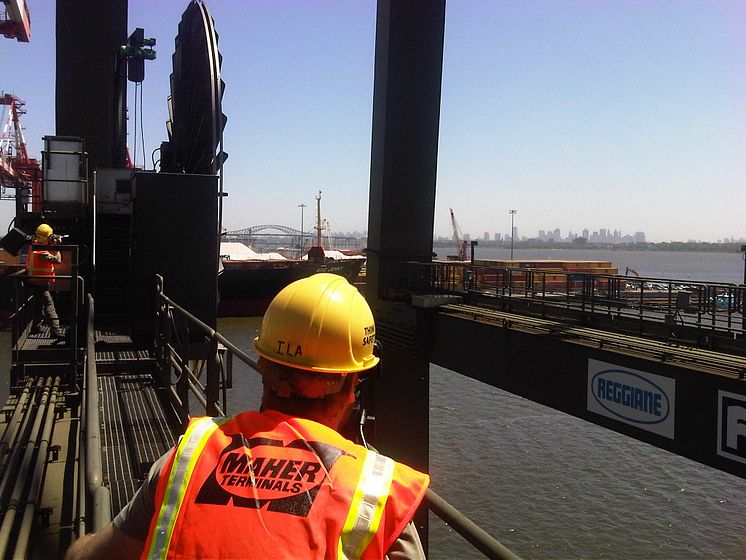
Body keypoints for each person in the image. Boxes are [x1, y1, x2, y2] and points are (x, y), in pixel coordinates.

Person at [66, 273, 430, 559]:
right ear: (353, 385)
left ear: (263, 364)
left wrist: (75, 547)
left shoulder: (187, 457)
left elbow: (94, 555)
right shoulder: (375, 492)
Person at [27, 223, 64, 338]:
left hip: (35, 281)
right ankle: (56, 330)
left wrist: (52, 243)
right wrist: (57, 246)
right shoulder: (42, 253)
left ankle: (36, 327)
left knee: (38, 304)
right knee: (49, 305)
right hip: (40, 282)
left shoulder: (34, 245)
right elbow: (58, 260)